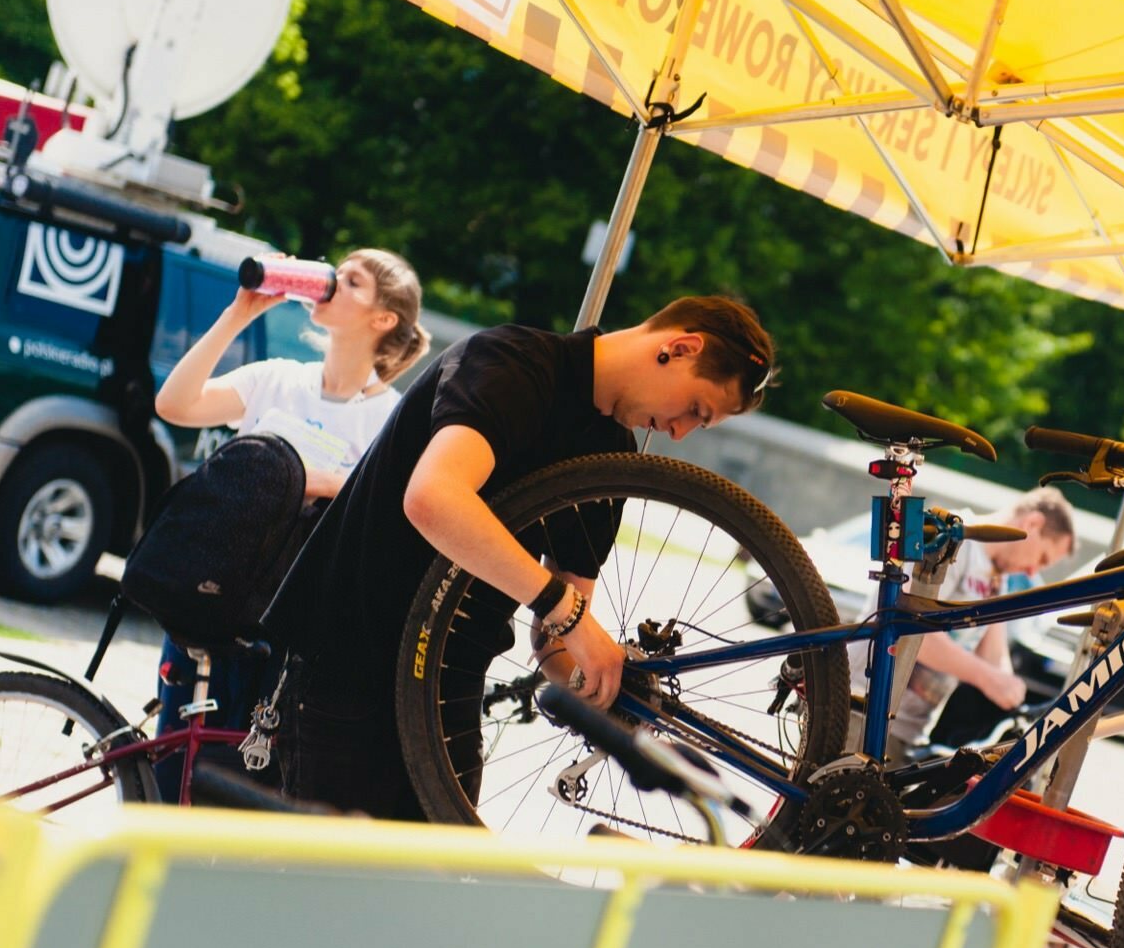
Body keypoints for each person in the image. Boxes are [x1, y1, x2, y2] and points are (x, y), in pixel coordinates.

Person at [262, 295, 776, 819]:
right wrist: (570, 616)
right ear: (679, 347)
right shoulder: (511, 363)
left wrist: (603, 692)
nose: (679, 431)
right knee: (330, 886)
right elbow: (433, 498)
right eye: (696, 409)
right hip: (352, 662)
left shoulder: (611, 459)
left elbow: (554, 639)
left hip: (449, 687)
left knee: (428, 885)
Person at [150, 250, 428, 790]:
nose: (329, 284)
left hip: (287, 633)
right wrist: (240, 314)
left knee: (240, 785)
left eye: (351, 282)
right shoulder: (279, 379)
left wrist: (322, 480)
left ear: (384, 319)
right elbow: (175, 404)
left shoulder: (390, 416)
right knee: (168, 770)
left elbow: (397, 509)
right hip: (210, 599)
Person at [857, 487, 1077, 764]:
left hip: (905, 731)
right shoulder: (952, 540)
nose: (1034, 572)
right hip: (862, 710)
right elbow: (905, 630)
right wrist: (989, 679)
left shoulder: (998, 578)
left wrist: (1015, 695)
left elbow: (994, 659)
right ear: (1032, 524)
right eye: (1042, 559)